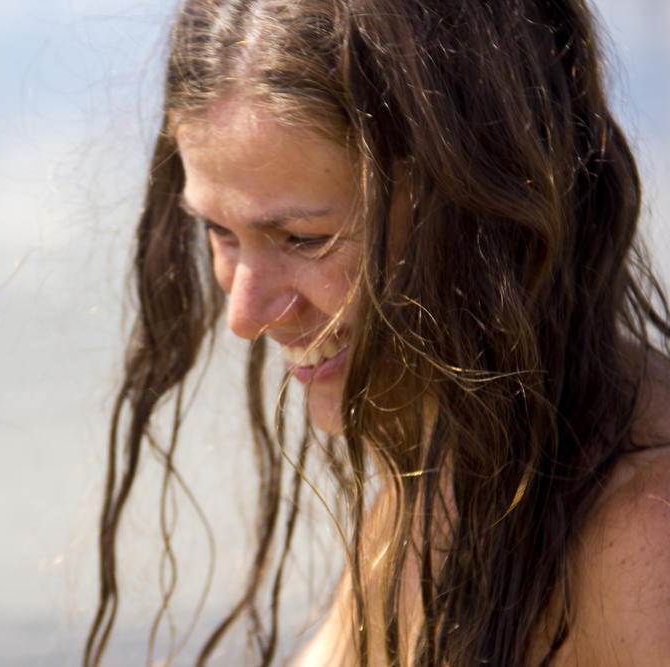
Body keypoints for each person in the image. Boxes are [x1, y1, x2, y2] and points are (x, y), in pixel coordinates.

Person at [85, 0, 670, 664]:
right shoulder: (441, 492)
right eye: (219, 230)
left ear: (479, 205)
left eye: (303, 239)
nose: (244, 316)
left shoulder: (645, 539)